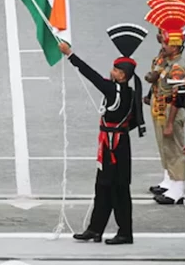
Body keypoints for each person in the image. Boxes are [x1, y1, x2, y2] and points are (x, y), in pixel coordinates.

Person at [65, 23, 147, 245]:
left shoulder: (115, 90)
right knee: (102, 185)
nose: (110, 72)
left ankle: (125, 232)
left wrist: (71, 55)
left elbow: (91, 76)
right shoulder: (130, 92)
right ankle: (95, 229)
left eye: (114, 69)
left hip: (115, 145)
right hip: (116, 142)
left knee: (118, 188)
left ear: (121, 74)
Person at [144, 0, 185, 205]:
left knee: (174, 148)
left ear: (175, 46)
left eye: (166, 41)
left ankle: (177, 189)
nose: (162, 43)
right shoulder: (165, 60)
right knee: (164, 146)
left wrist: (169, 122)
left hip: (170, 112)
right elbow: (155, 80)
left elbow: (178, 98)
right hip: (159, 108)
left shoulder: (177, 68)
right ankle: (168, 180)